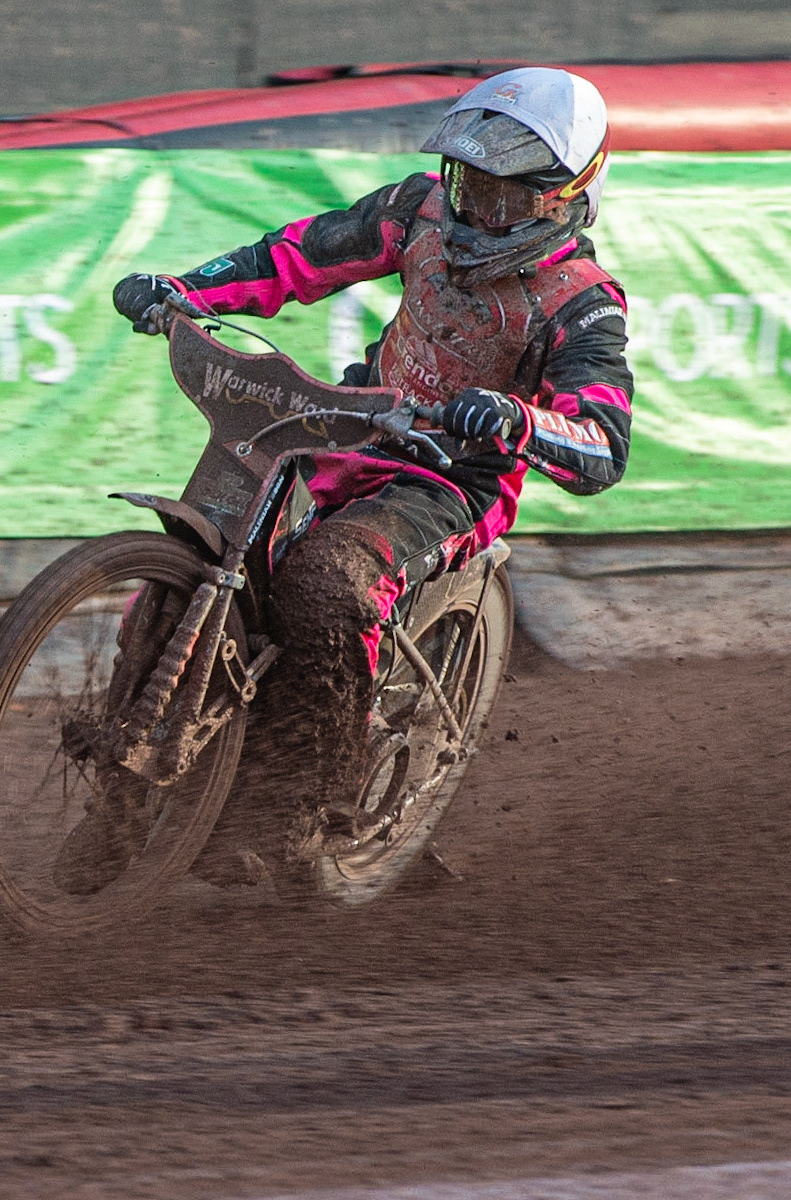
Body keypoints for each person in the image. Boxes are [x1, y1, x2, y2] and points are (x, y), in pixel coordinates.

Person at [100, 67, 632, 875]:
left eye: (503, 198)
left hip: (454, 479)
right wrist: (184, 291)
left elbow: (603, 444)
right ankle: (119, 806)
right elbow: (298, 256)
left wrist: (518, 417)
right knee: (198, 565)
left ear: (565, 195)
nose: (475, 213)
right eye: (468, 185)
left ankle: (307, 807)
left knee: (328, 582)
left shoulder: (581, 302)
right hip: (354, 421)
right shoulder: (419, 209)